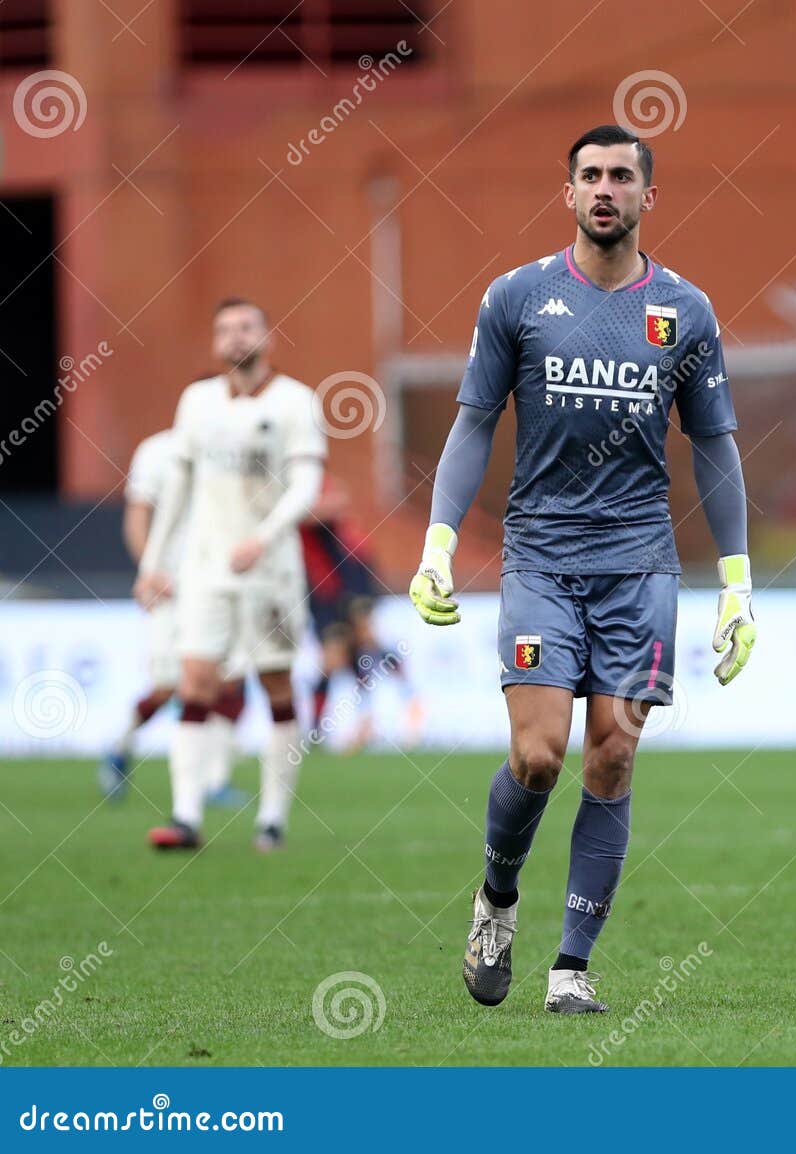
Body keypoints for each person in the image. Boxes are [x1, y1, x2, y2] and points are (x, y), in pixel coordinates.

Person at [409, 124, 755, 1015]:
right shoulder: (517, 298)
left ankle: (571, 966)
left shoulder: (685, 311)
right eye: (590, 176)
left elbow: (713, 446)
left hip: (642, 566)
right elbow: (475, 422)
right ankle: (497, 897)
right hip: (541, 558)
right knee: (537, 756)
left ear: (648, 196)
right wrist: (439, 543)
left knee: (613, 752)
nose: (605, 188)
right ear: (568, 194)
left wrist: (738, 580)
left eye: (622, 176)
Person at [133, 298, 326, 851]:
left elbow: (306, 487)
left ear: (268, 337)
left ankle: (271, 818)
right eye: (224, 330)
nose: (235, 338)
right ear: (215, 343)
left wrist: (261, 537)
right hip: (205, 569)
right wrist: (151, 564)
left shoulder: (296, 402)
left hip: (271, 570)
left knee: (275, 685)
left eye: (245, 327)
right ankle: (187, 816)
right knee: (194, 680)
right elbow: (178, 489)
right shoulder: (196, 402)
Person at [102, 428, 250, 807]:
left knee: (230, 680)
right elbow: (137, 515)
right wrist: (150, 570)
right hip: (172, 587)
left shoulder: (237, 445)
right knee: (172, 685)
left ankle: (215, 781)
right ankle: (120, 746)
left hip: (221, 583)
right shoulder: (157, 451)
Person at [301, 478, 422, 749]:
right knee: (336, 657)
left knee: (366, 641)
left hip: (352, 576)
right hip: (322, 593)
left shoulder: (309, 489)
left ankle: (407, 700)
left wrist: (302, 506)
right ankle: (328, 729)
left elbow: (332, 505)